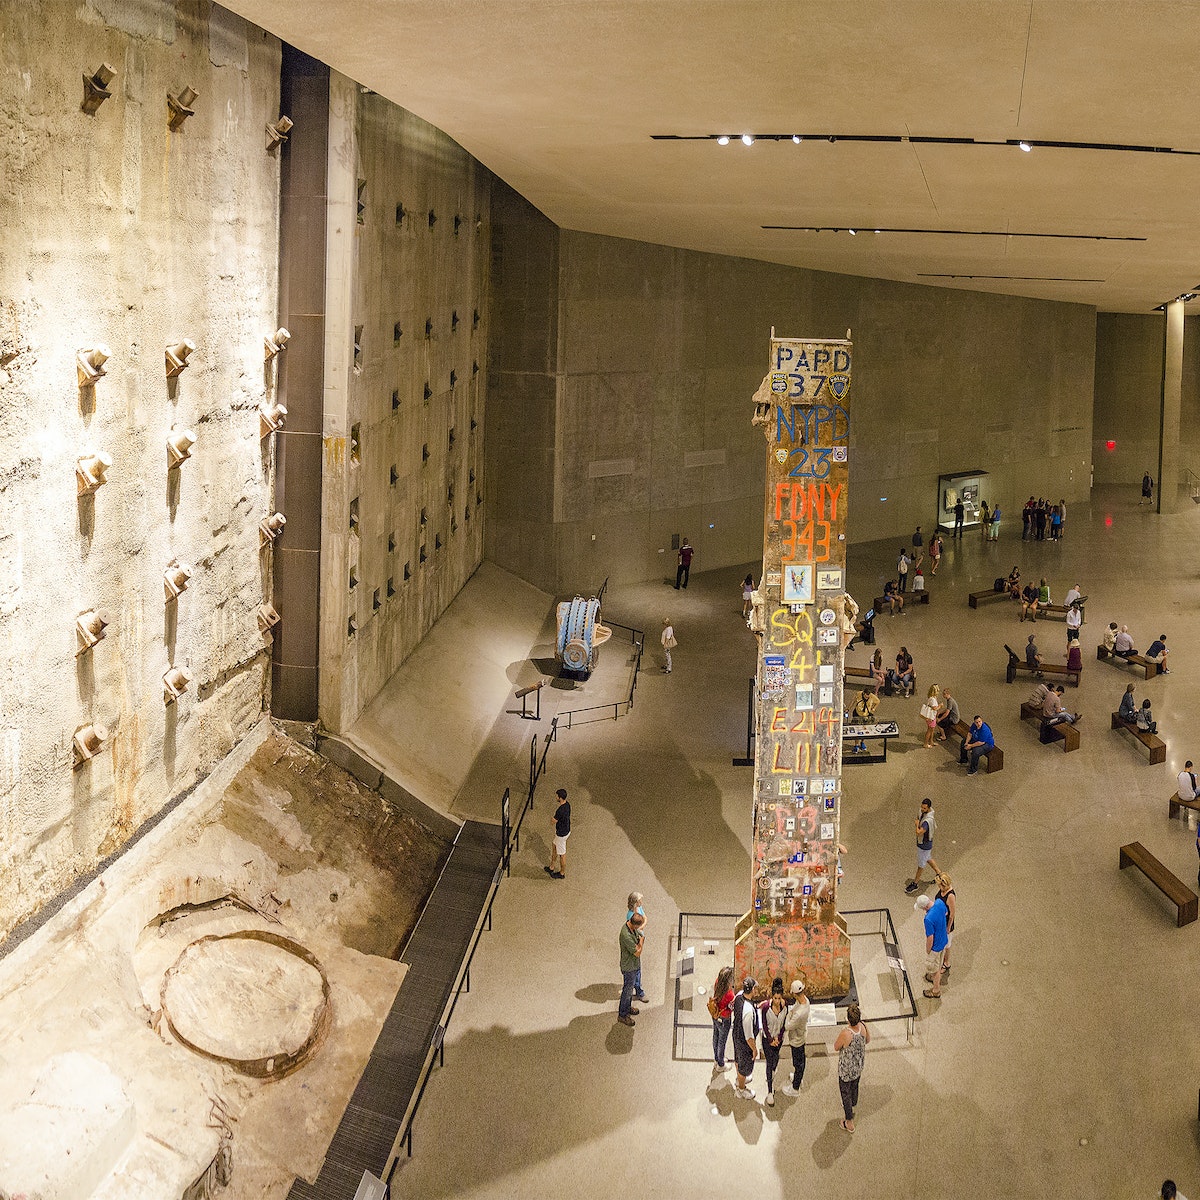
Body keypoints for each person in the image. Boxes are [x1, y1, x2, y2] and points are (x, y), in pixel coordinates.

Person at [834, 1001, 870, 1131]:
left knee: (845, 1093)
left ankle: (849, 1121)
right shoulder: (863, 1026)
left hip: (846, 1070)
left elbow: (836, 1047)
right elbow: (868, 1040)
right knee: (855, 1086)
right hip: (858, 1066)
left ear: (848, 1019)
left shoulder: (846, 1033)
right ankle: (853, 1103)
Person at [759, 977, 787, 1106]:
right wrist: (770, 1039)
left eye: (779, 998)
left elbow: (783, 1024)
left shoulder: (784, 1007)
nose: (776, 1001)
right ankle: (770, 1090)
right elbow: (764, 1024)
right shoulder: (765, 1007)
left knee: (776, 1059)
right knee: (769, 1063)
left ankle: (772, 1073)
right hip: (767, 1039)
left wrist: (779, 1038)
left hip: (778, 1040)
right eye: (775, 998)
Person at [916, 892, 949, 999]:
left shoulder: (928, 919)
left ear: (925, 907)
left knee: (935, 970)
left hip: (935, 947)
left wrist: (928, 950)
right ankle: (933, 978)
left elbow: (930, 937)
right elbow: (946, 913)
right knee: (938, 963)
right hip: (944, 940)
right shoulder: (939, 902)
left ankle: (936, 990)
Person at [731, 977, 759, 1099]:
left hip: (736, 1036)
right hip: (744, 1044)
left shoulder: (739, 996)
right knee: (744, 1067)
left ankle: (739, 1079)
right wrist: (754, 1049)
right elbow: (749, 1037)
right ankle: (741, 1089)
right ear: (752, 989)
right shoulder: (748, 1011)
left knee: (738, 1060)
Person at [617, 911, 645, 1026]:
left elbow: (640, 933)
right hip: (629, 967)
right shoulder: (626, 935)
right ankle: (622, 1015)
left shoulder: (630, 926)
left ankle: (627, 1008)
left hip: (634, 965)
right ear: (633, 924)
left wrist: (640, 938)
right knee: (627, 991)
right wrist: (641, 942)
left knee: (629, 990)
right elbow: (637, 953)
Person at [782, 978, 810, 1095]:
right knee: (800, 1061)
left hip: (797, 1040)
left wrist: (789, 1014)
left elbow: (788, 1026)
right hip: (801, 1035)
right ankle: (798, 1077)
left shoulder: (799, 1014)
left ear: (794, 994)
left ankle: (795, 1088)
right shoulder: (805, 1000)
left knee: (798, 1063)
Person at [905, 797, 938, 892]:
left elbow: (919, 832)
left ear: (928, 808)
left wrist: (916, 824)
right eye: (922, 807)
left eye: (924, 808)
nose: (922, 809)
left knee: (921, 864)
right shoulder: (922, 812)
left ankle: (915, 883)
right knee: (927, 858)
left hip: (924, 845)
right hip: (923, 844)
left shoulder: (927, 822)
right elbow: (918, 816)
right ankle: (939, 873)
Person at [710, 965, 735, 1072]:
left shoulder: (717, 983)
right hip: (724, 1019)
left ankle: (716, 1058)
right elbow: (732, 1007)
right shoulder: (729, 994)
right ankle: (721, 1064)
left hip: (715, 1015)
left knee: (716, 1036)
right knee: (722, 1041)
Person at [626, 892, 649, 1004]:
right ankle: (639, 992)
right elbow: (638, 929)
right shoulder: (630, 916)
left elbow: (645, 919)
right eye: (639, 900)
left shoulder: (639, 909)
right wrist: (641, 931)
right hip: (635, 944)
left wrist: (641, 926)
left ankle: (638, 989)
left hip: (638, 936)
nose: (641, 902)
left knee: (638, 970)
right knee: (635, 971)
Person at [544, 787, 570, 879]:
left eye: (557, 796)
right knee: (554, 846)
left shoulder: (560, 810)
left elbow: (553, 821)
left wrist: (552, 819)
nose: (556, 797)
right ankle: (551, 867)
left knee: (562, 855)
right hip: (565, 831)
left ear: (560, 798)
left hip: (561, 834)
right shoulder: (567, 805)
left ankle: (562, 873)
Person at [935, 871, 957, 976]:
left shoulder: (950, 896)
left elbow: (952, 914)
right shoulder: (942, 891)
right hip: (940, 921)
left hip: (946, 924)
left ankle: (946, 963)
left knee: (947, 945)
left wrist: (948, 928)